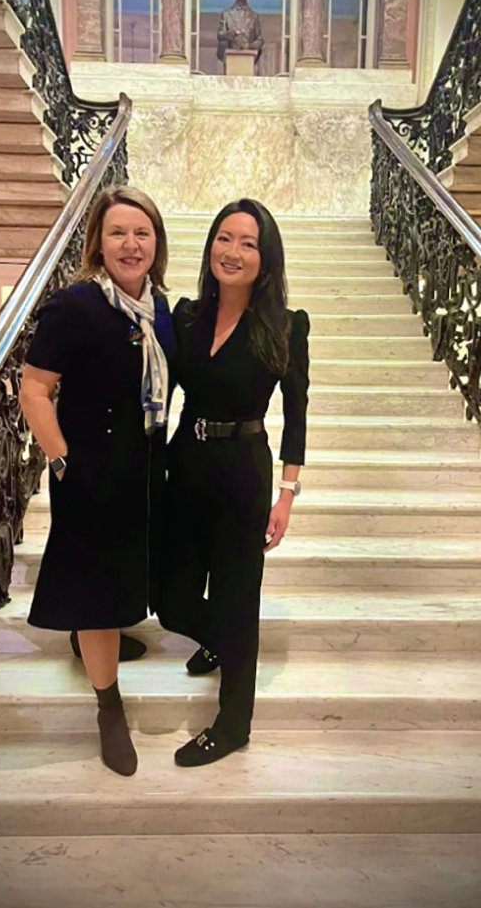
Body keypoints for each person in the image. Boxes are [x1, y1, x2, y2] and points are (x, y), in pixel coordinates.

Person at [18, 186, 175, 777]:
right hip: (88, 469)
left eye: (142, 233)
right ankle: (109, 706)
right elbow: (34, 391)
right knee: (99, 578)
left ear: (156, 243)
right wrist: (62, 461)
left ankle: (93, 638)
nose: (131, 244)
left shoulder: (163, 312)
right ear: (97, 242)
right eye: (118, 232)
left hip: (143, 466)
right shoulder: (75, 307)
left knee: (119, 571)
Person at [157, 198, 309, 767]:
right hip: (185, 463)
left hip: (245, 469)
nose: (234, 251)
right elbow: (159, 392)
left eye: (249, 243)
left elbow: (296, 416)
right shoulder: (185, 316)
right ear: (210, 247)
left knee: (237, 599)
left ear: (265, 260)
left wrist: (287, 495)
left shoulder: (287, 327)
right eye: (226, 238)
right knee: (171, 601)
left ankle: (233, 723)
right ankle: (220, 638)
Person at [216, 0, 264, 70]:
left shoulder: (254, 16)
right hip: (231, 57)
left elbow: (260, 39)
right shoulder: (226, 14)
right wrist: (230, 34)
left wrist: (249, 46)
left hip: (247, 58)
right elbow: (220, 35)